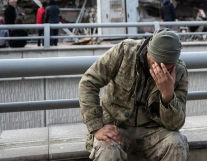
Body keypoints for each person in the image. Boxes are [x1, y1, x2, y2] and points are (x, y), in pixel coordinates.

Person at [79, 29, 189, 161]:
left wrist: (167, 95)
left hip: (153, 130)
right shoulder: (125, 52)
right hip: (117, 126)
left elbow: (175, 125)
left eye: (167, 68)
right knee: (107, 149)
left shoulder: (179, 71)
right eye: (156, 64)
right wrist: (97, 127)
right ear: (148, 53)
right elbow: (88, 82)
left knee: (176, 144)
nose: (161, 70)